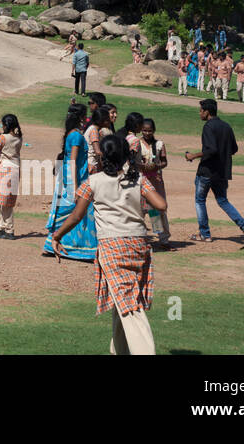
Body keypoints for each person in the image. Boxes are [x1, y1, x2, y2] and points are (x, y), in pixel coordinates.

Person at [52, 133, 166, 355]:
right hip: (138, 245)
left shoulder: (92, 183)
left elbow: (76, 216)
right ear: (126, 155)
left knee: (130, 306)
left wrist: (56, 236)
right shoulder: (139, 179)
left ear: (102, 156)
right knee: (121, 300)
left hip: (112, 246)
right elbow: (161, 205)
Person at [184, 99, 244, 245]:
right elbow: (234, 149)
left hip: (207, 171)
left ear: (207, 112)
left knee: (200, 201)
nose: (200, 113)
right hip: (222, 172)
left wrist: (193, 156)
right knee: (223, 201)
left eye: (201, 110)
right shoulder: (226, 126)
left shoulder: (208, 127)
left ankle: (205, 234)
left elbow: (211, 150)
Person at [43, 104, 97, 260]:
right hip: (76, 179)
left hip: (72, 178)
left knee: (73, 210)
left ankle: (60, 243)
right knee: (77, 210)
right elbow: (73, 160)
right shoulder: (77, 136)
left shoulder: (72, 134)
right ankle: (77, 247)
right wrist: (75, 188)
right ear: (81, 118)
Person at [138, 118, 171, 249]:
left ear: (154, 131)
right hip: (141, 180)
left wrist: (156, 166)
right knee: (140, 209)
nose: (147, 133)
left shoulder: (159, 145)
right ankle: (140, 236)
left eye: (149, 131)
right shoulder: (137, 143)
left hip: (156, 182)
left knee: (156, 210)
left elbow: (164, 161)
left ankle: (162, 239)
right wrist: (143, 166)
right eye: (144, 131)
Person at [0, 113, 22, 239]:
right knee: (5, 200)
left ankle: (9, 229)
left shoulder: (3, 137)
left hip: (5, 169)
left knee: (5, 202)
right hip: (15, 168)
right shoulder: (18, 137)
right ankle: (2, 226)